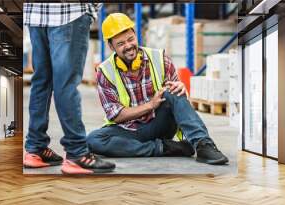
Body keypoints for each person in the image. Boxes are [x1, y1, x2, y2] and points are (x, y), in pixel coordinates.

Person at [86, 13, 229, 165]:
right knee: (93, 140)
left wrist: (181, 89)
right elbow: (115, 115)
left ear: (136, 35)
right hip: (128, 130)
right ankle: (163, 148)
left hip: (160, 123)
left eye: (130, 39)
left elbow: (178, 101)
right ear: (111, 46)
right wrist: (150, 105)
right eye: (120, 43)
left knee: (173, 91)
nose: (128, 46)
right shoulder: (105, 72)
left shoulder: (159, 58)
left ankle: (203, 145)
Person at [23, 3, 115, 174]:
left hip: (35, 13)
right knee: (66, 84)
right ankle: (77, 153)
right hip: (68, 12)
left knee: (41, 81)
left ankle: (35, 149)